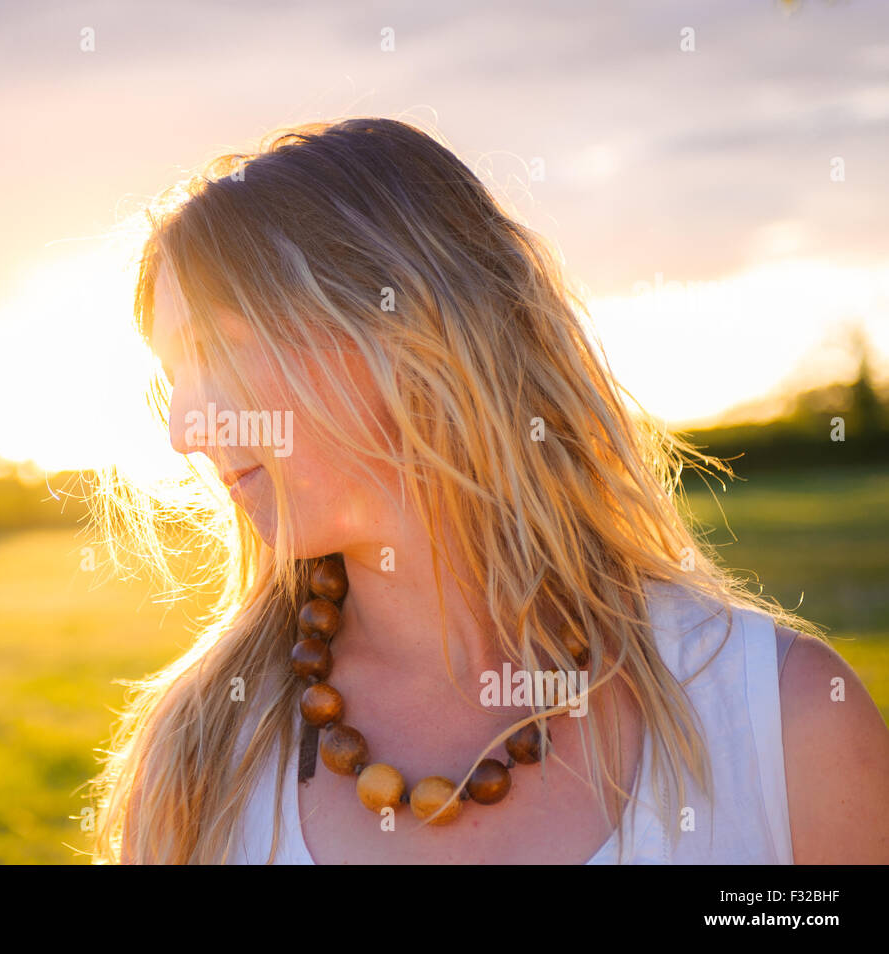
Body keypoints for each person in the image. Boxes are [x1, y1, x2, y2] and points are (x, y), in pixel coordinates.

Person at [85, 117, 889, 864]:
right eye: (172, 379)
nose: (183, 430)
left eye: (213, 352)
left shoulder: (782, 721)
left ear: (410, 331)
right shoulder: (201, 754)